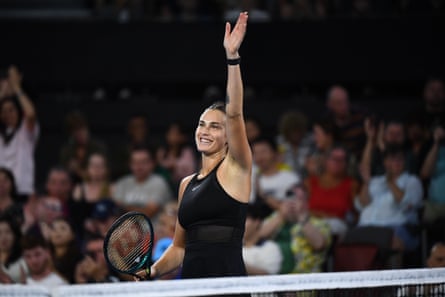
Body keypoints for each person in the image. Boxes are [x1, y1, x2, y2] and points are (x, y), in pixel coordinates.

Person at [138, 12, 252, 283]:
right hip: (192, 283)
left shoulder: (237, 168)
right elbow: (179, 248)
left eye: (215, 126)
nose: (205, 131)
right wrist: (152, 270)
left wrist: (232, 58)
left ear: (228, 137)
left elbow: (235, 113)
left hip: (229, 283)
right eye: (202, 124)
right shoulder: (186, 184)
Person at [0, 65, 39, 204]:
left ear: (18, 111)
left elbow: (30, 113)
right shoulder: (2, 134)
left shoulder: (25, 131)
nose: (8, 114)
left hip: (22, 192)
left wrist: (16, 87)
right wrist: (3, 91)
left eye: (12, 110)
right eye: (4, 111)